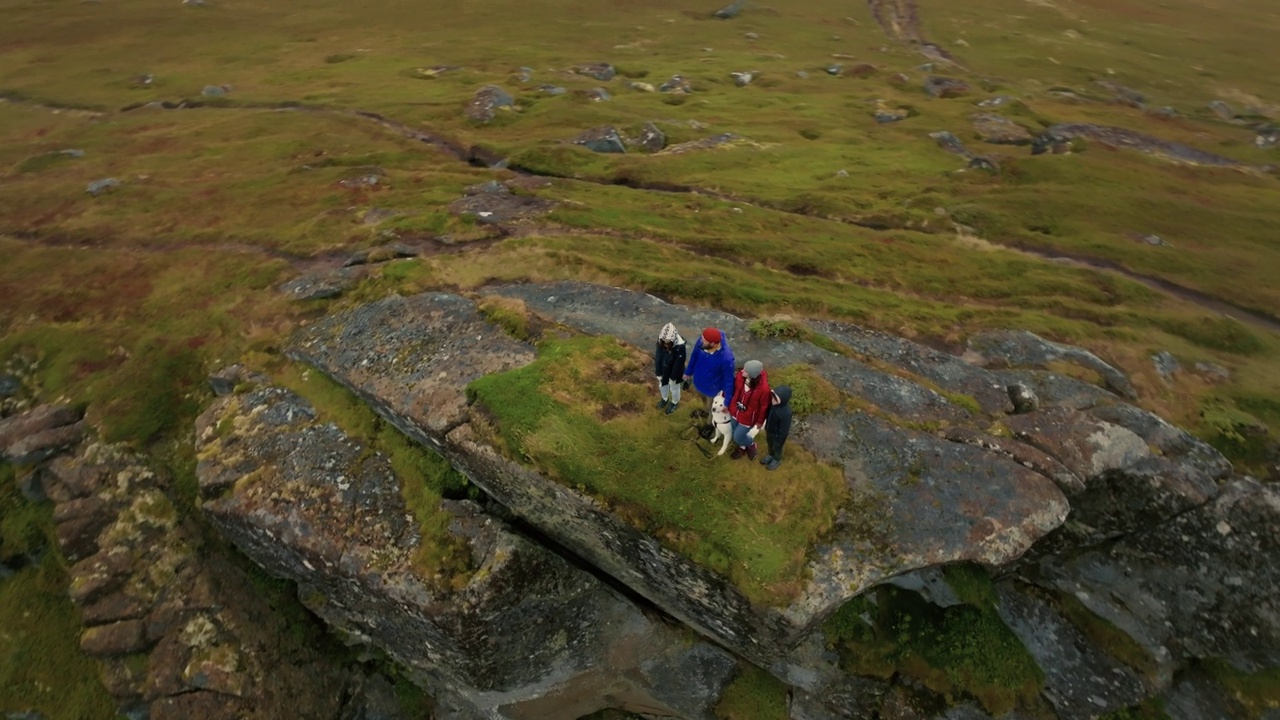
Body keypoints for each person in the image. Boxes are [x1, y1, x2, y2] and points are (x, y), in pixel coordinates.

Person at [682, 327, 736, 408]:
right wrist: (688, 372)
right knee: (704, 402)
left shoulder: (726, 359)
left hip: (712, 390)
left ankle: (709, 420)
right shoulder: (702, 342)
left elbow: (728, 380)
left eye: (704, 341)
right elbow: (694, 356)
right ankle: (705, 411)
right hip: (698, 382)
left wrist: (727, 401)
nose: (701, 341)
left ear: (713, 344)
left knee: (711, 408)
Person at [728, 360, 770, 460]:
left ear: (752, 375)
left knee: (737, 437)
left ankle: (751, 444)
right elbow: (732, 388)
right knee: (734, 431)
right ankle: (742, 447)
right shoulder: (740, 377)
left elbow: (764, 406)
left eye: (745, 370)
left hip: (748, 417)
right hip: (735, 410)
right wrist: (727, 403)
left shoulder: (764, 389)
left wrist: (760, 422)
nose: (742, 371)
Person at [654, 323, 687, 415]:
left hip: (674, 372)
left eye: (668, 343)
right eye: (663, 342)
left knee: (674, 388)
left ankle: (675, 402)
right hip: (663, 369)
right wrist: (658, 372)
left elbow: (679, 364)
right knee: (662, 385)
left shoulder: (680, 347)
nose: (665, 344)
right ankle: (664, 399)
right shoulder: (661, 341)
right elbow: (658, 357)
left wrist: (673, 377)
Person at [760, 386, 793, 471]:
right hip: (769, 431)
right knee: (770, 444)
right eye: (772, 396)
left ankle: (777, 459)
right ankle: (771, 455)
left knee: (777, 447)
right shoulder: (773, 405)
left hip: (778, 436)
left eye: (775, 398)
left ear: (783, 400)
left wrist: (779, 442)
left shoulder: (786, 413)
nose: (772, 400)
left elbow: (784, 431)